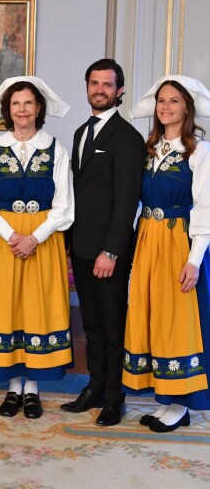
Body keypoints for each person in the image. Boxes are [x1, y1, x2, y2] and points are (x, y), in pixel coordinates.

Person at [0, 76, 74, 419]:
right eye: (16, 104)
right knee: (9, 308)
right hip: (7, 240)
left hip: (43, 241)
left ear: (38, 108)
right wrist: (12, 235)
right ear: (8, 109)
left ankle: (33, 390)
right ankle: (13, 388)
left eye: (28, 103)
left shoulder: (55, 148)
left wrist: (35, 238)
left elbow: (64, 207)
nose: (22, 109)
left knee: (38, 309)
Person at [122, 75, 210, 432]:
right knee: (152, 314)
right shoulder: (150, 148)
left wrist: (194, 258)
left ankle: (182, 402)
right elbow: (136, 199)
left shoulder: (198, 151)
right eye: (161, 101)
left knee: (178, 320)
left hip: (179, 241)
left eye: (174, 101)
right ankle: (167, 397)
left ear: (187, 107)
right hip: (148, 237)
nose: (166, 107)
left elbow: (205, 206)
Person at [61, 58, 145, 426]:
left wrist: (111, 251)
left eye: (107, 84)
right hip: (80, 246)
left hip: (109, 251)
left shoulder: (128, 138)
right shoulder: (81, 132)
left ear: (119, 91)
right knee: (91, 326)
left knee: (112, 326)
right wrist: (68, 244)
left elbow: (127, 200)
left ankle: (115, 397)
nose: (100, 90)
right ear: (87, 87)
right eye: (94, 83)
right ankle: (94, 387)